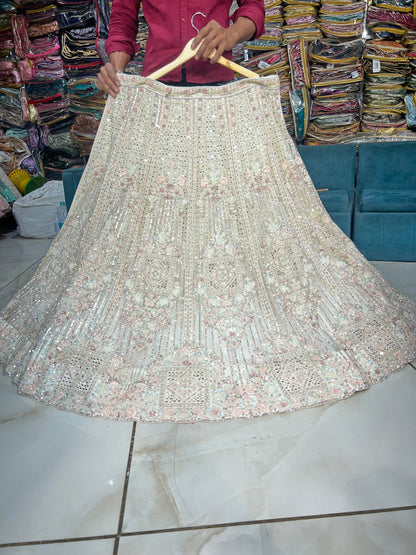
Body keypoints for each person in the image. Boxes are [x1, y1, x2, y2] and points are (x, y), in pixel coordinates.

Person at [98, 0, 265, 97]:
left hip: (217, 81)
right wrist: (116, 71)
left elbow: (253, 6)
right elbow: (123, 17)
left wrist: (232, 34)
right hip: (156, 85)